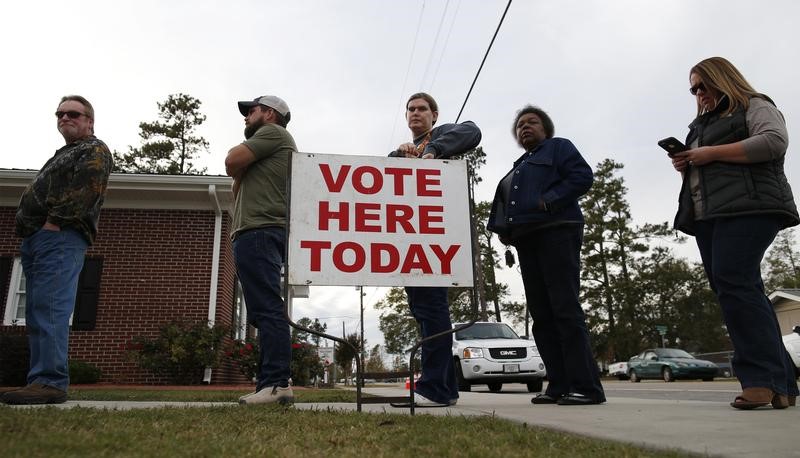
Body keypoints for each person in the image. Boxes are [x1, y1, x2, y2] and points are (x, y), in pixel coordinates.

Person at [669, 57, 799, 410]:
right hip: (710, 217)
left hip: (751, 208)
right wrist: (687, 163)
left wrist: (710, 153)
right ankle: (782, 384)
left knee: (734, 282)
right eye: (693, 89)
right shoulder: (697, 127)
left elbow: (773, 141)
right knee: (738, 289)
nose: (698, 93)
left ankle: (759, 379)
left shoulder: (754, 105)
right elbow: (706, 174)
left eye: (702, 85)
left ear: (720, 79)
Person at [487, 105, 605, 406]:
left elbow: (582, 177)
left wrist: (548, 201)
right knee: (542, 315)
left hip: (557, 231)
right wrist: (506, 230)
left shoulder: (558, 147)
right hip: (528, 240)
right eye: (520, 125)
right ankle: (559, 384)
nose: (525, 127)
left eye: (532, 122)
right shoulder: (520, 165)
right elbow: (510, 203)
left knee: (564, 308)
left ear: (545, 128)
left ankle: (586, 387)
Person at [1, 95, 113, 405]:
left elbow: (86, 190)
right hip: (38, 239)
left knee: (49, 308)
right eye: (60, 114)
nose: (65, 118)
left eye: (73, 114)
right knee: (37, 311)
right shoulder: (65, 153)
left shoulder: (93, 149)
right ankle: (39, 380)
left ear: (89, 121)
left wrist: (54, 223)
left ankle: (50, 381)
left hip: (60, 237)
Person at [389, 92, 481, 407]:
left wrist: (432, 150)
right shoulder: (400, 152)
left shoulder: (443, 138)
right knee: (423, 310)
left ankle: (434, 389)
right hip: (409, 241)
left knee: (433, 308)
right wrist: (402, 159)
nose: (415, 113)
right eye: (410, 109)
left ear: (434, 115)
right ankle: (445, 388)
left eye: (422, 108)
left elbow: (472, 131)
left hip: (437, 238)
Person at [225, 95, 297, 405]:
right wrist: (240, 165)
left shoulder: (273, 133)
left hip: (260, 230)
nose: (245, 116)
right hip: (255, 232)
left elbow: (230, 163)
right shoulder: (266, 142)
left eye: (251, 110)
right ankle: (267, 385)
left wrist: (239, 161)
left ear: (269, 113)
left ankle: (278, 383)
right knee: (263, 311)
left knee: (268, 308)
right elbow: (235, 184)